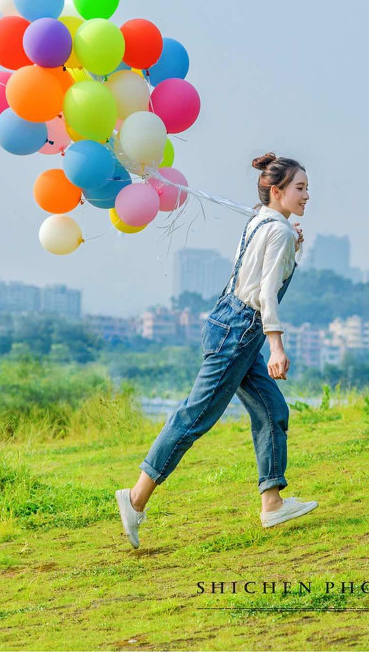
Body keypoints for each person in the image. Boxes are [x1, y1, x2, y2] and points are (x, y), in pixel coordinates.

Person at [116, 152, 316, 548]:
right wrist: (276, 346)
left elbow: (254, 270)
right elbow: (264, 293)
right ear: (276, 190)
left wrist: (293, 245)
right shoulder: (276, 229)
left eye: (308, 188)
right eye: (300, 188)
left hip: (229, 323)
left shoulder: (264, 221)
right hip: (242, 330)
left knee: (271, 409)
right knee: (195, 417)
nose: (307, 196)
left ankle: (272, 502)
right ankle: (135, 497)